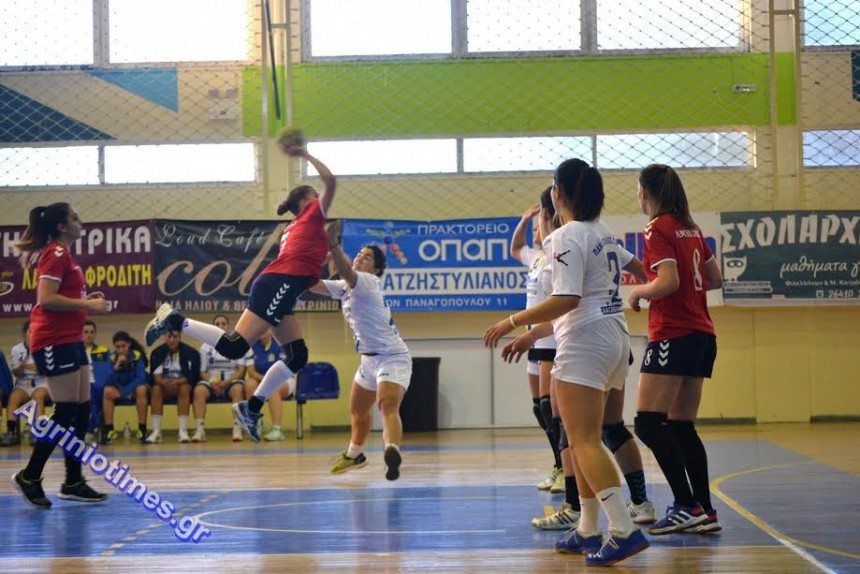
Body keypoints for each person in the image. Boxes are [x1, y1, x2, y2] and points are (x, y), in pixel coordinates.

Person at [484, 159, 649, 566]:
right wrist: (532, 334)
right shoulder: (602, 231)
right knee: (582, 438)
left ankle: (623, 529)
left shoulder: (563, 236)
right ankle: (588, 528)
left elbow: (567, 299)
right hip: (614, 335)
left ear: (558, 192)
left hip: (585, 341)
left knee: (584, 441)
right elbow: (615, 281)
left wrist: (512, 321)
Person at [143, 142, 336, 443]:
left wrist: (344, 290)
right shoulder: (311, 214)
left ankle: (251, 407)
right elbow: (331, 182)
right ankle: (175, 320)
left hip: (283, 288)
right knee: (234, 347)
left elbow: (312, 282)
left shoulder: (299, 231)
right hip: (277, 285)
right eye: (315, 196)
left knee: (297, 356)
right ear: (306, 202)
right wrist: (304, 155)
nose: (321, 201)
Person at [628, 164, 724, 535]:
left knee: (648, 424)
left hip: (673, 333)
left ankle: (685, 505)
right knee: (682, 427)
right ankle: (705, 511)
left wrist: (638, 292)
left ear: (645, 192)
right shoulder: (692, 228)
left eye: (638, 190)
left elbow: (667, 281)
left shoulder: (657, 228)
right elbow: (714, 278)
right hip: (702, 336)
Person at [11, 202, 109, 508]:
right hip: (53, 341)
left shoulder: (65, 256)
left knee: (81, 410)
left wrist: (83, 299)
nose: (81, 221)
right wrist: (87, 305)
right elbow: (46, 299)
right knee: (65, 411)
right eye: (75, 218)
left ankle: (73, 481)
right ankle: (30, 476)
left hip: (71, 338)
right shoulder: (55, 253)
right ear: (62, 226)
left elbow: (61, 296)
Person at [306, 221, 412, 481]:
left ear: (376, 269)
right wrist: (310, 256)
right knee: (357, 410)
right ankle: (355, 455)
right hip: (368, 359)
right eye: (359, 254)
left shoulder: (367, 281)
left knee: (387, 404)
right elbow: (311, 284)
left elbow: (345, 269)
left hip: (392, 356)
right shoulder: (345, 285)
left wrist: (333, 244)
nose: (360, 258)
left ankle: (392, 450)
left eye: (367, 257)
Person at [510, 199, 564, 494]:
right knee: (539, 408)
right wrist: (524, 219)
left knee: (549, 406)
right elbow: (515, 248)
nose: (534, 233)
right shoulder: (535, 257)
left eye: (537, 227)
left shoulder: (556, 254)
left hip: (550, 338)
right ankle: (558, 463)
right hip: (534, 337)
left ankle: (565, 467)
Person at [193, 315, 252, 443]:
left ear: (228, 327)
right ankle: (199, 430)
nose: (220, 326)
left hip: (230, 382)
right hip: (212, 382)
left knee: (238, 389)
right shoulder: (205, 346)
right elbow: (202, 372)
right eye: (217, 324)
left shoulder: (237, 344)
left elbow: (240, 370)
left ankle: (237, 429)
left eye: (223, 324)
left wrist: (226, 382)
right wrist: (212, 382)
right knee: (199, 390)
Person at [2, 320, 51, 447]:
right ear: (25, 333)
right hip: (23, 382)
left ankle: (38, 433)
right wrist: (21, 367)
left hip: (41, 382)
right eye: (30, 331)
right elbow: (16, 373)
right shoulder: (17, 349)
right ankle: (11, 433)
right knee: (14, 397)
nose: (33, 335)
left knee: (37, 396)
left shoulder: (45, 349)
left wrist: (40, 368)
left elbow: (51, 371)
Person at [147, 331, 199, 443]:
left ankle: (182, 431)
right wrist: (165, 383)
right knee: (156, 389)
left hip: (182, 385)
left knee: (184, 388)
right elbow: (156, 377)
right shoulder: (157, 352)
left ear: (179, 338)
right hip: (165, 386)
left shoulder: (190, 352)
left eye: (175, 337)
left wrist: (177, 382)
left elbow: (192, 376)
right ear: (164, 337)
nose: (172, 340)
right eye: (169, 336)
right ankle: (156, 431)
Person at [100, 331, 150, 445]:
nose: (121, 350)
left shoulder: (137, 356)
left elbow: (141, 378)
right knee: (107, 391)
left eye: (124, 346)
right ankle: (109, 430)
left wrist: (122, 392)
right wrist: (116, 366)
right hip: (118, 388)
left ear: (129, 344)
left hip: (133, 389)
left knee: (142, 389)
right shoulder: (112, 357)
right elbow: (107, 381)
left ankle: (142, 429)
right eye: (118, 347)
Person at [244, 331, 292, 441]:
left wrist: (267, 381)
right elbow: (251, 371)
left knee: (273, 388)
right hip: (261, 379)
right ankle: (256, 424)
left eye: (265, 329)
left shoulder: (280, 344)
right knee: (249, 384)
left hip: (283, 379)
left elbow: (282, 369)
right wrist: (265, 380)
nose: (262, 332)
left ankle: (277, 429)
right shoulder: (251, 346)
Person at [83, 320, 109, 442]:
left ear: (95, 334)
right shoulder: (74, 351)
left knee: (90, 392)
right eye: (86, 332)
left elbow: (108, 371)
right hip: (80, 386)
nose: (89, 335)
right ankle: (95, 426)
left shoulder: (103, 351)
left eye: (92, 332)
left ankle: (90, 429)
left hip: (99, 386)